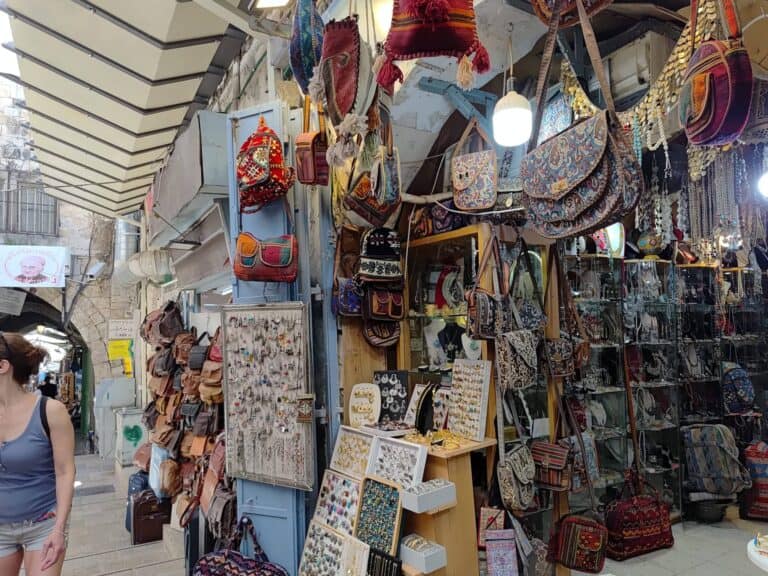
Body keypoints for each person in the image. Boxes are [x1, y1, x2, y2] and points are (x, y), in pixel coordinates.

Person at [0, 333, 75, 576]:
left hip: (43, 524)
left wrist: (59, 529)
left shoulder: (50, 411)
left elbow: (65, 472)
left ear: (3, 366)